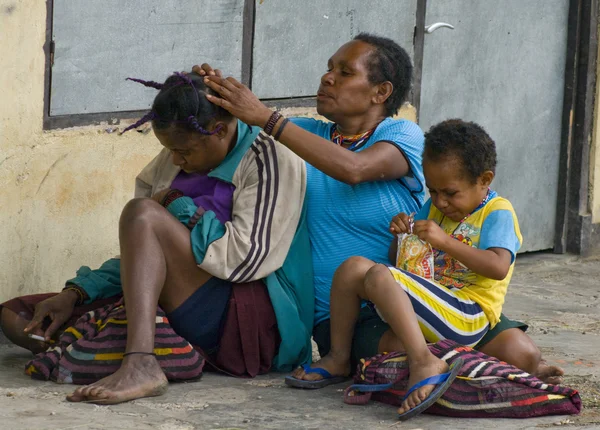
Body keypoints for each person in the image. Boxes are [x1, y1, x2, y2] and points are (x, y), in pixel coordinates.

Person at [195, 33, 563, 384]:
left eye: (344, 72)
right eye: (329, 68)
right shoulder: (301, 138)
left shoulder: (405, 135)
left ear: (381, 92)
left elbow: (354, 169)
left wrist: (268, 119)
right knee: (402, 350)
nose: (327, 78)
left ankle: (471, 364)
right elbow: (240, 128)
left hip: (427, 299)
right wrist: (210, 94)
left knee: (522, 353)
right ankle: (447, 364)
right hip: (351, 316)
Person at [0, 71, 314, 403]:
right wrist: (76, 293)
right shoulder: (172, 159)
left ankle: (140, 361)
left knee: (142, 213)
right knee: (17, 318)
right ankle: (168, 350)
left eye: (185, 151)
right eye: (169, 149)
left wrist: (180, 207)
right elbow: (144, 254)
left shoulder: (270, 157)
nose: (176, 159)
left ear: (220, 130)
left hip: (244, 320)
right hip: (178, 306)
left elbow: (244, 261)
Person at [289, 119, 522, 419]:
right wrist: (401, 236)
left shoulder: (497, 212)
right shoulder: (435, 207)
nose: (440, 201)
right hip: (434, 305)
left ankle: (423, 361)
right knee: (352, 267)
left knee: (378, 274)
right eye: (433, 191)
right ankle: (338, 357)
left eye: (450, 193)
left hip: (468, 315)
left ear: (484, 179)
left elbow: (498, 267)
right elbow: (400, 260)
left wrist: (446, 242)